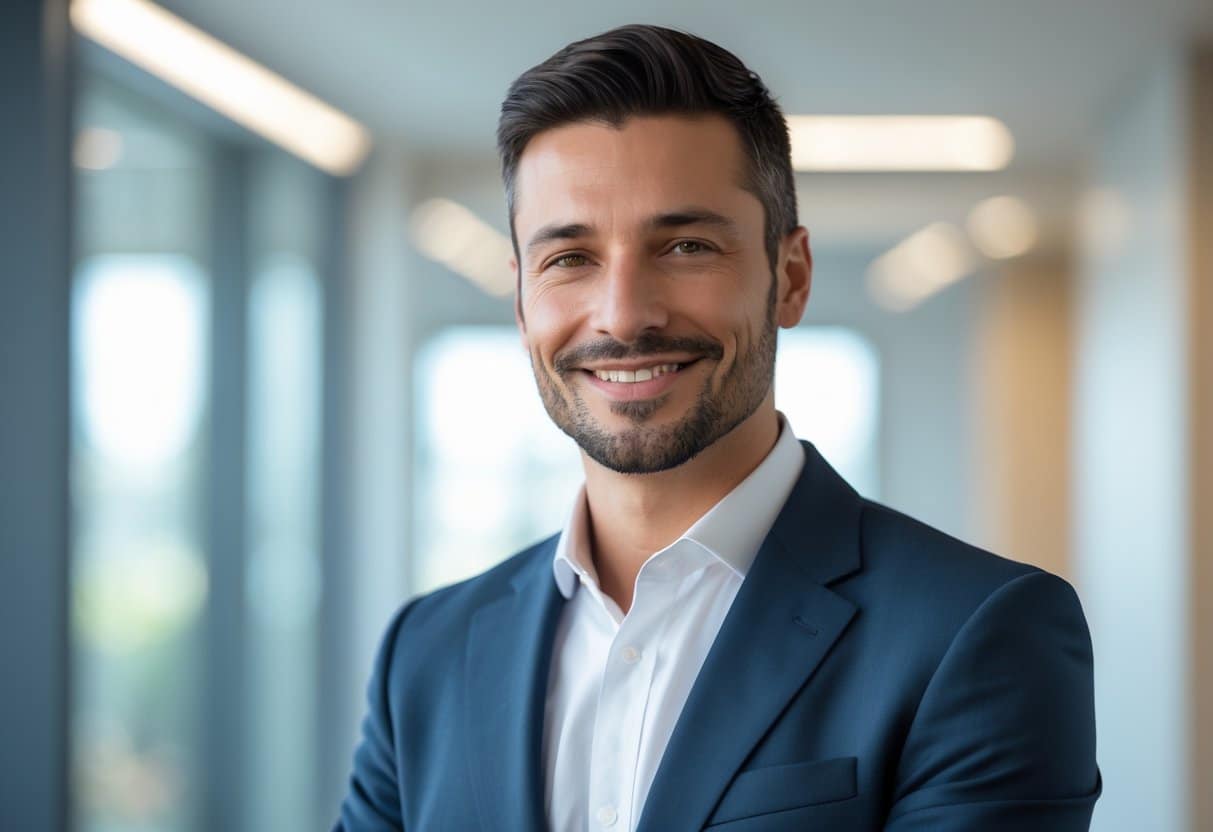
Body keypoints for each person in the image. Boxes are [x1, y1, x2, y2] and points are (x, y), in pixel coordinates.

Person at [335, 24, 1100, 832]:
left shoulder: (977, 632)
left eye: (687, 245)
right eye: (569, 258)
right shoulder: (425, 653)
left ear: (790, 277)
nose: (624, 314)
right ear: (521, 298)